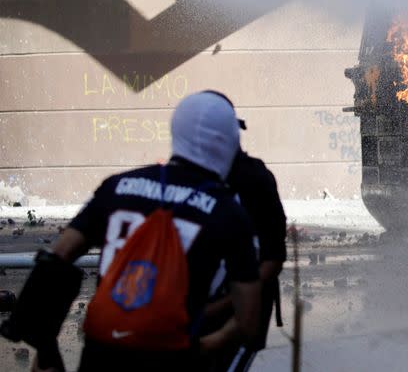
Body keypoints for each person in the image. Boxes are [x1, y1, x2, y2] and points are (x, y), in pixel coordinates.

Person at [29, 92, 262, 372]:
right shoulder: (228, 212)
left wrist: (46, 349)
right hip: (171, 356)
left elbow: (57, 258)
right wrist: (207, 346)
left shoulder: (117, 186)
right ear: (229, 143)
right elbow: (248, 320)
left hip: (102, 352)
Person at [200, 91, 287, 372]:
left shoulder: (254, 178)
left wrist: (219, 307)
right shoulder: (190, 178)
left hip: (243, 311)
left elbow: (272, 260)